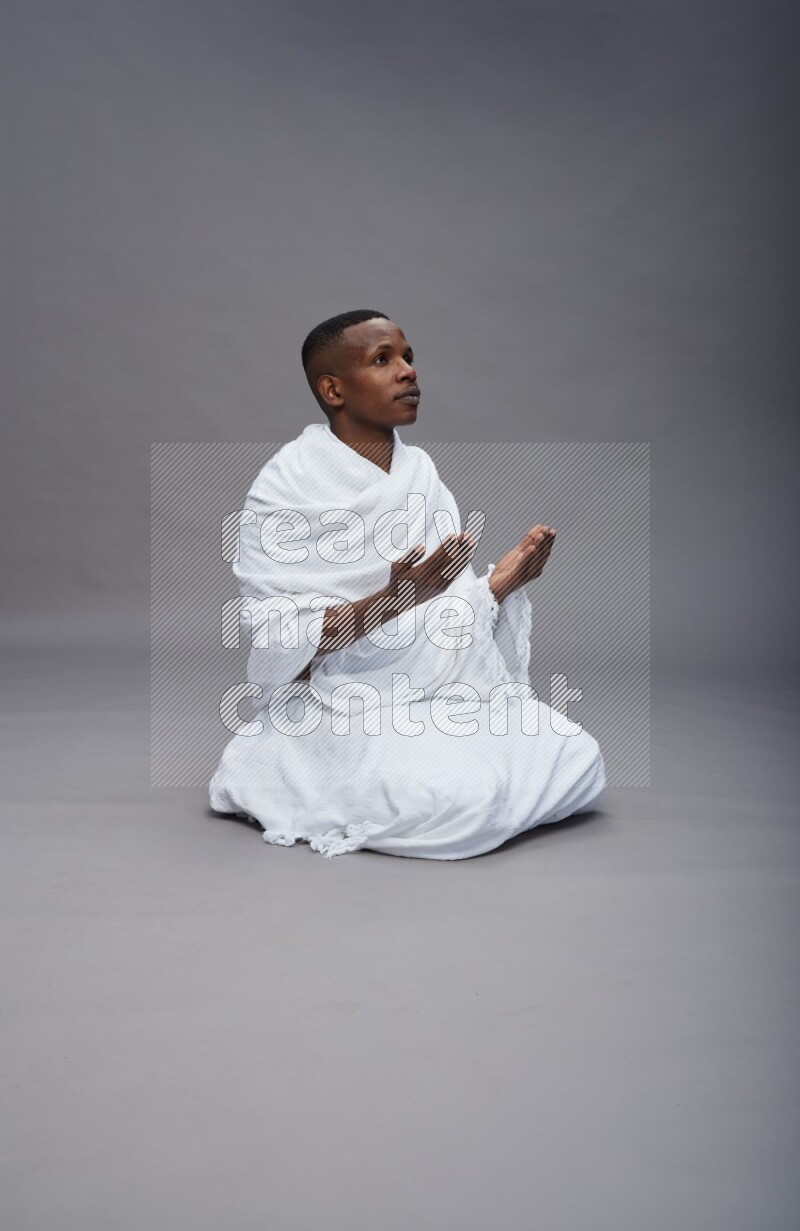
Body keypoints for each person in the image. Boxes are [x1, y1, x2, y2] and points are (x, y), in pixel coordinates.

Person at [208, 309, 606, 858]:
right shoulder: (285, 487)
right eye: (382, 360)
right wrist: (393, 601)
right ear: (333, 389)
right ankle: (297, 763)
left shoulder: (421, 474)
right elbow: (279, 635)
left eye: (408, 357)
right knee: (458, 799)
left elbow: (444, 611)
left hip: (436, 686)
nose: (408, 372)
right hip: (342, 699)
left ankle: (454, 767)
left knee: (577, 756)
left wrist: (501, 583)